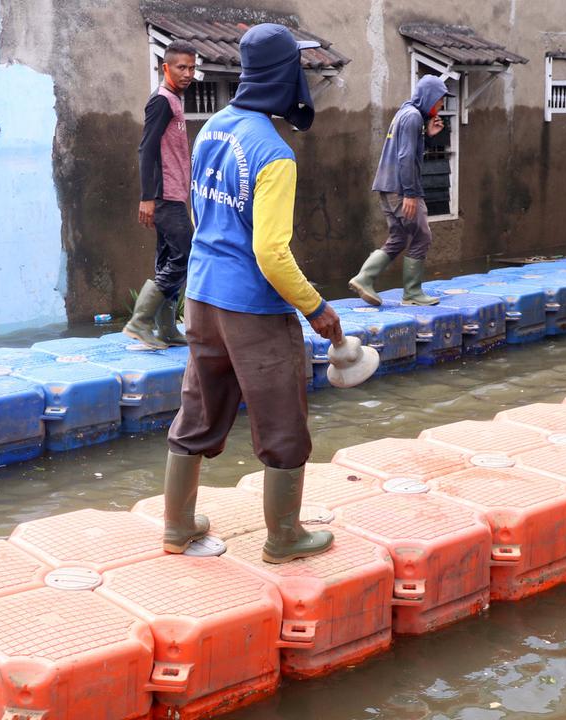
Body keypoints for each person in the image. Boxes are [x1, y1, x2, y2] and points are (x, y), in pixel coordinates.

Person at [161, 23, 343, 564]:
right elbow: (271, 252)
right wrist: (317, 309)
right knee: (283, 420)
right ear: (285, 76)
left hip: (201, 295)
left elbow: (200, 211)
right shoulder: (275, 153)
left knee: (199, 404)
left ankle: (177, 526)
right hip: (253, 308)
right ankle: (284, 537)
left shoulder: (211, 128)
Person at [347, 75, 454, 306]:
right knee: (422, 235)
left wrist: (427, 135)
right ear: (429, 97)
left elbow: (407, 150)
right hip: (400, 188)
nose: (442, 105)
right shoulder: (413, 117)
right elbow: (405, 157)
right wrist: (411, 194)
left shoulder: (405, 113)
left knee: (399, 237)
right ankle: (412, 293)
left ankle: (364, 278)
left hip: (387, 186)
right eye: (440, 99)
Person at [125, 40, 198, 350]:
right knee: (185, 252)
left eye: (192, 68)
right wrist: (148, 197)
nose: (187, 73)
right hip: (164, 195)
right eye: (181, 67)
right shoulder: (162, 101)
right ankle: (140, 322)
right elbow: (147, 148)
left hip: (174, 193)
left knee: (169, 258)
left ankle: (165, 328)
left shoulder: (174, 100)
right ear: (165, 67)